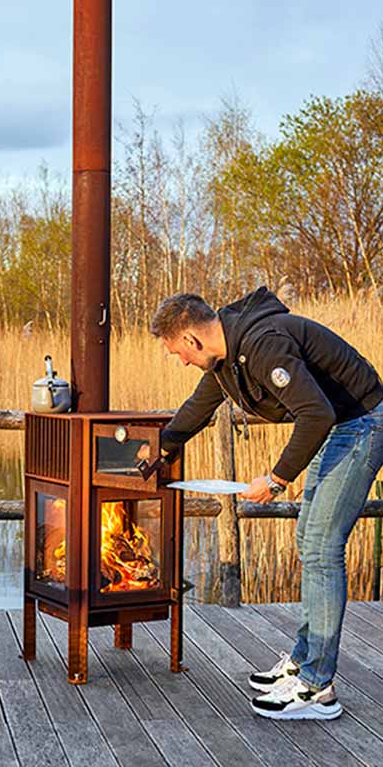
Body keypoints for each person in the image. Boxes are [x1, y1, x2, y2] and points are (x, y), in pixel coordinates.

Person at [150, 286, 383, 721]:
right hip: (345, 428)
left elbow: (317, 414)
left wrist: (275, 481)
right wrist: (160, 448)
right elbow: (198, 408)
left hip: (363, 425)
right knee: (309, 544)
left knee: (322, 549)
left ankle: (317, 688)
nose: (180, 361)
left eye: (176, 352)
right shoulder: (227, 355)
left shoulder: (261, 345)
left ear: (191, 340)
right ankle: (303, 662)